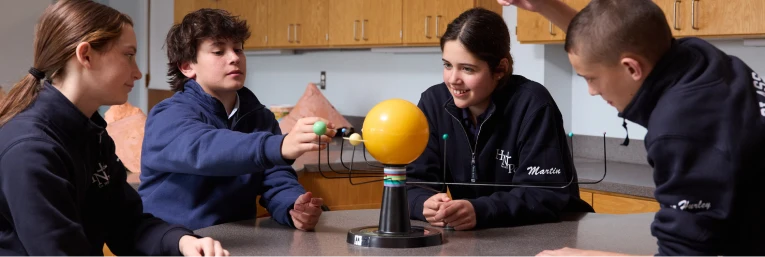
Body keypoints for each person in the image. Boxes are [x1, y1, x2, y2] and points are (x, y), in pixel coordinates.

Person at [499, 0, 765, 256]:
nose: (592, 91)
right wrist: (546, 5)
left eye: (591, 78)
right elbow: (608, 43)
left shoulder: (679, 132)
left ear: (631, 68)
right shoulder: (696, 57)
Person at [0, 1, 228, 256]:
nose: (138, 72)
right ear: (85, 55)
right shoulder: (31, 149)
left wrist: (181, 242)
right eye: (129, 55)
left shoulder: (93, 136)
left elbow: (126, 225)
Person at [138, 8, 332, 231]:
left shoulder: (260, 116)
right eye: (219, 52)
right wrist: (279, 145)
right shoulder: (167, 115)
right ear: (187, 66)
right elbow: (206, 148)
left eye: (238, 49)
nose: (234, 58)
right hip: (171, 244)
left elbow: (276, 177)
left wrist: (292, 205)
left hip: (236, 244)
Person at [406, 7, 593, 231]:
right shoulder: (433, 102)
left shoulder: (533, 104)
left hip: (547, 236)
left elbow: (545, 194)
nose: (453, 79)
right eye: (447, 65)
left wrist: (480, 211)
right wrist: (423, 203)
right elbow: (410, 184)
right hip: (478, 237)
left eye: (467, 69)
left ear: (500, 69)